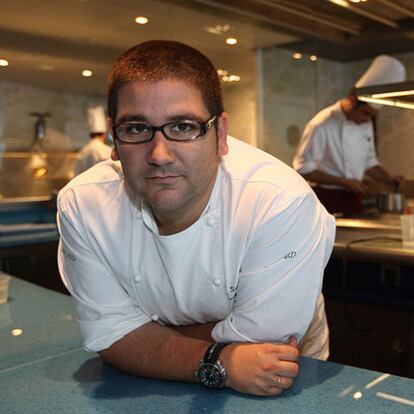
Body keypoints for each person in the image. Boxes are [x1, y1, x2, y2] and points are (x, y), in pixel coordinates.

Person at [57, 40, 335, 397]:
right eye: (137, 128)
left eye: (183, 126)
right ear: (114, 137)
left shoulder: (279, 201)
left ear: (220, 134)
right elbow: (111, 337)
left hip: (280, 378)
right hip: (157, 383)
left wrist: (139, 335)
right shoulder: (83, 206)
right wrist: (222, 356)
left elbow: (263, 349)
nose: (159, 154)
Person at [293, 55, 406, 215]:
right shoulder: (320, 124)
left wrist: (389, 179)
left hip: (352, 199)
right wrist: (343, 182)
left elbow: (369, 162)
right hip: (326, 199)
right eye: (366, 113)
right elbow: (303, 169)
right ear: (353, 101)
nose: (368, 120)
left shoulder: (365, 123)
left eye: (372, 116)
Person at [74, 105, 112, 175]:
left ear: (90, 135)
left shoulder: (82, 152)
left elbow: (76, 175)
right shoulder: (108, 151)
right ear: (104, 134)